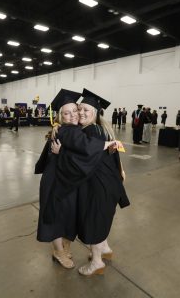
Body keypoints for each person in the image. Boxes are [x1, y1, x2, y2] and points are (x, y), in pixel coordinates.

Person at [35, 89, 115, 270]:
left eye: (75, 110)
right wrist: (107, 144)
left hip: (69, 179)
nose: (73, 115)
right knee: (55, 216)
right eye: (67, 112)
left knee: (68, 215)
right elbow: (84, 148)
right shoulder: (64, 131)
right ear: (60, 116)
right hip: (56, 180)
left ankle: (66, 247)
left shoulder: (81, 129)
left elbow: (82, 149)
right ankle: (59, 251)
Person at [74, 88, 129, 276]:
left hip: (98, 187)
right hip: (110, 185)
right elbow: (112, 155)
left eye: (85, 110)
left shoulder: (90, 132)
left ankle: (96, 262)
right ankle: (105, 249)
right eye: (79, 109)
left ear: (95, 113)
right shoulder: (103, 129)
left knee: (94, 222)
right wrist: (121, 171)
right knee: (102, 218)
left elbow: (83, 162)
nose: (81, 112)